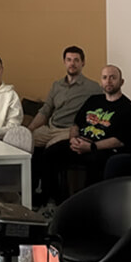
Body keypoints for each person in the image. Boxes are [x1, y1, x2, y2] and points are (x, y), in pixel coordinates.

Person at [40, 65, 131, 204]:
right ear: (101, 81)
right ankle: (54, 202)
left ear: (121, 82)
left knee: (95, 164)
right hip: (80, 142)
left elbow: (119, 140)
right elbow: (76, 125)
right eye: (105, 77)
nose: (108, 81)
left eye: (113, 77)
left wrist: (91, 146)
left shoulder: (128, 108)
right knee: (50, 154)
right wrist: (73, 140)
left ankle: (88, 205)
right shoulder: (93, 100)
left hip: (102, 149)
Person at [26, 46, 102, 201]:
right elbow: (46, 110)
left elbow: (102, 110)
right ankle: (29, 193)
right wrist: (29, 130)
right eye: (69, 60)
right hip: (51, 127)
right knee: (26, 143)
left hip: (69, 130)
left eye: (76, 60)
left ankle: (49, 197)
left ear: (83, 63)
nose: (72, 63)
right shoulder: (57, 85)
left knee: (50, 150)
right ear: (64, 62)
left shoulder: (93, 88)